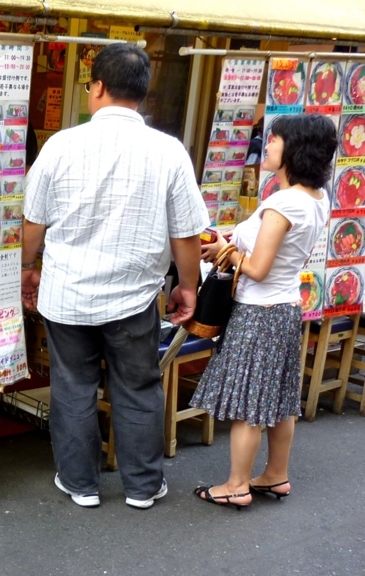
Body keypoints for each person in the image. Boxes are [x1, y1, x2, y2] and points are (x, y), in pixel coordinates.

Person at [21, 43, 208, 510]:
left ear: (98, 87)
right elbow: (187, 234)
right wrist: (188, 286)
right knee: (137, 386)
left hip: (66, 293)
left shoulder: (61, 145)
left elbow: (33, 222)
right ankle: (143, 486)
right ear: (141, 94)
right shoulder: (169, 151)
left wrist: (27, 268)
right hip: (133, 295)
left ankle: (80, 483)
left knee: (72, 386)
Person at [193, 115, 336, 510]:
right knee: (278, 400)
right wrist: (229, 241)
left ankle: (237, 485)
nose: (267, 145)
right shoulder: (316, 199)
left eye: (274, 139)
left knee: (248, 405)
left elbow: (256, 268)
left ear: (295, 148)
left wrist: (226, 252)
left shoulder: (284, 203)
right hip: (287, 308)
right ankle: (275, 475)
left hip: (259, 313)